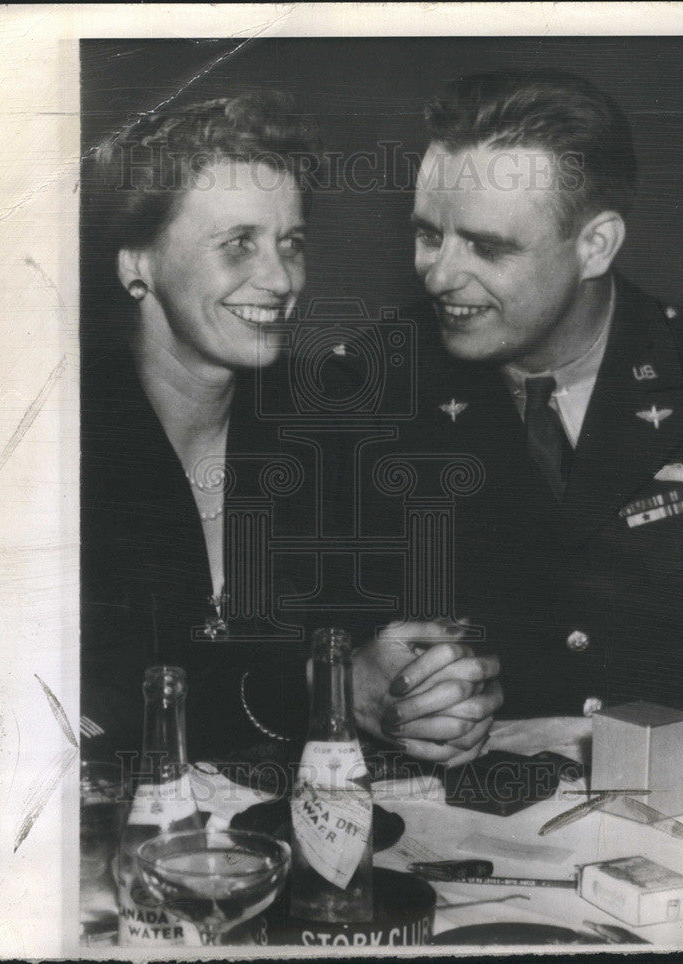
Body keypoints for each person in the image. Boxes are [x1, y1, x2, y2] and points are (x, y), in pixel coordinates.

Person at [80, 90, 502, 770]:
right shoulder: (59, 449)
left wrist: (437, 692)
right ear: (138, 264)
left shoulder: (331, 426)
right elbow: (84, 717)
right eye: (238, 244)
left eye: (291, 243)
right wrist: (322, 689)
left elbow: (393, 640)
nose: (278, 278)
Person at [378, 70, 683, 728]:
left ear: (595, 245)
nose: (441, 274)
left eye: (487, 246)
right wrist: (345, 683)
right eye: (428, 235)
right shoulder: (369, 389)